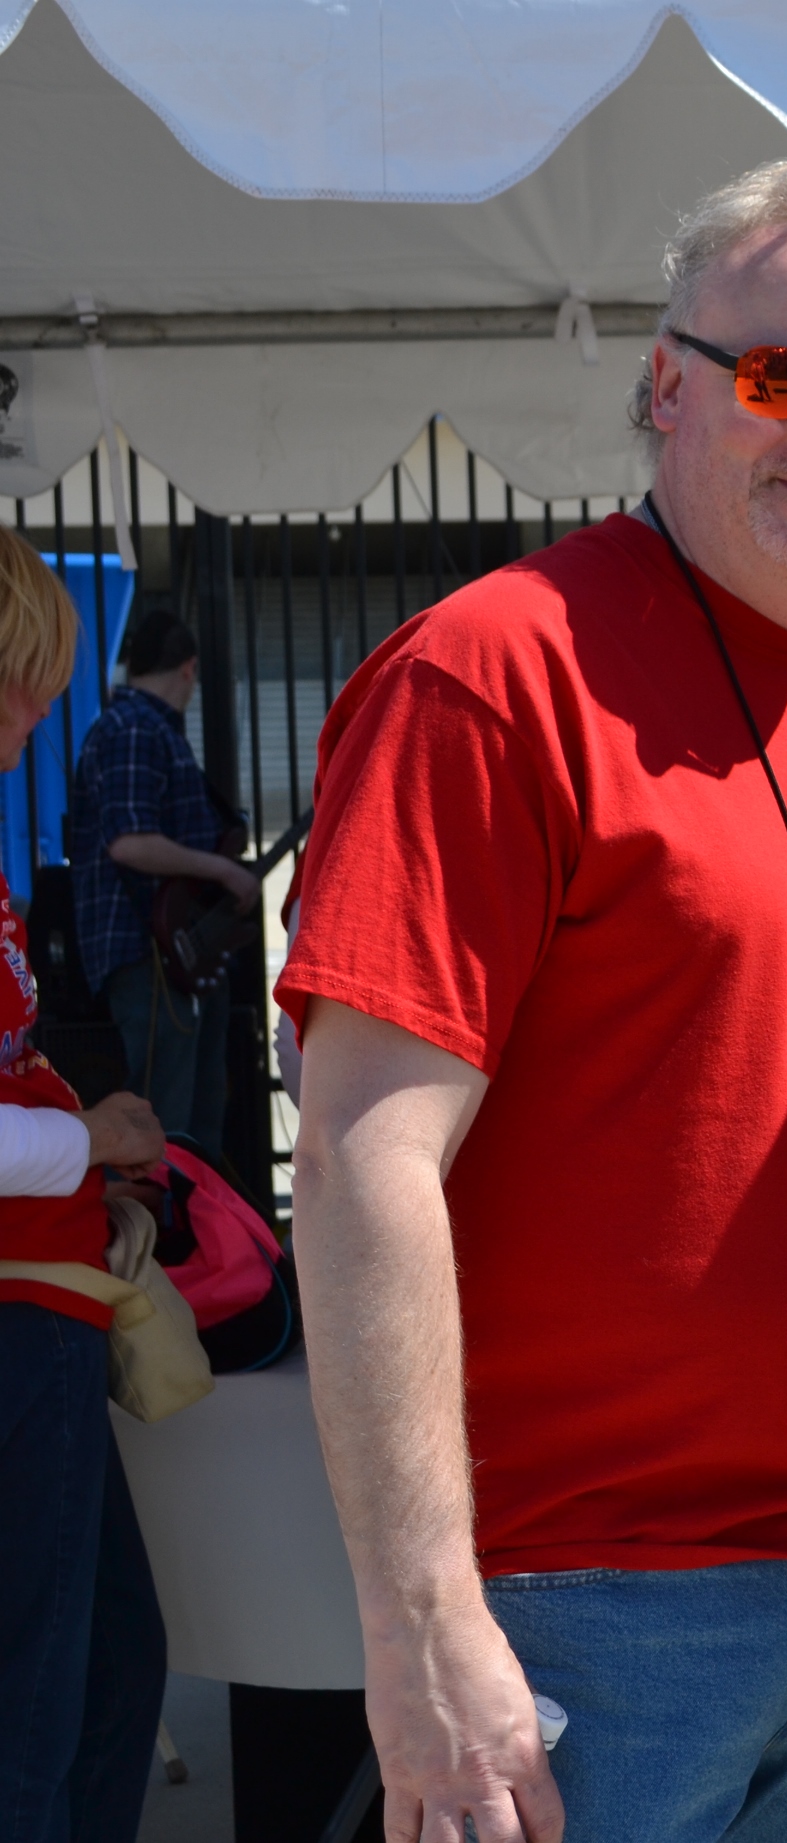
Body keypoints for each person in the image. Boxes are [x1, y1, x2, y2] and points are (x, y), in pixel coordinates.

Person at [279, 158, 787, 1843]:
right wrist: (423, 1626)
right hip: (589, 1599)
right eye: (780, 374)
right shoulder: (494, 670)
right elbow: (371, 1153)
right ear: (664, 383)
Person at [0, 528, 174, 1843]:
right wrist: (91, 1140)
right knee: (43, 1701)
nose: (41, 706)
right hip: (17, 1328)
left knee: (105, 1667)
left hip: (44, 1312)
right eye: (20, 675)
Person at [68, 606, 256, 1149]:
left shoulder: (144, 728)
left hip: (171, 955)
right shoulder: (133, 728)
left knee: (191, 1124)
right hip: (145, 951)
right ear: (189, 668)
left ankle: (195, 1228)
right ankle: (164, 1231)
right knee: (166, 1125)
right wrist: (222, 868)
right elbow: (130, 843)